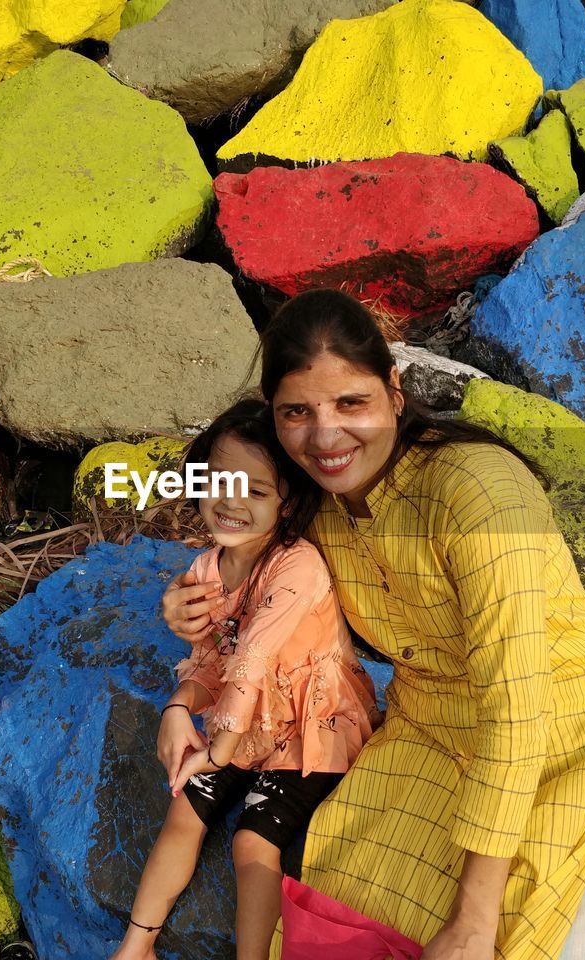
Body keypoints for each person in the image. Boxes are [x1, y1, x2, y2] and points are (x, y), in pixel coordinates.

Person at [162, 290, 585, 960]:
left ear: (395, 393)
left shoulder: (478, 492)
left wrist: (476, 920)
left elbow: (517, 707)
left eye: (351, 403)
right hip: (428, 730)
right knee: (338, 931)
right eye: (297, 413)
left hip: (564, 735)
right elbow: (246, 565)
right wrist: (186, 607)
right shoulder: (323, 501)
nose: (326, 436)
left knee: (515, 939)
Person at [112, 397, 378, 960]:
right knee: (184, 808)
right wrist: (179, 709)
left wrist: (222, 747)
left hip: (311, 725)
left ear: (287, 502)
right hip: (243, 715)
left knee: (253, 841)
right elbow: (214, 660)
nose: (231, 503)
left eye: (256, 492)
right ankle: (135, 947)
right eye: (221, 481)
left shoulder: (297, 565)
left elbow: (253, 655)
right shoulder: (207, 569)